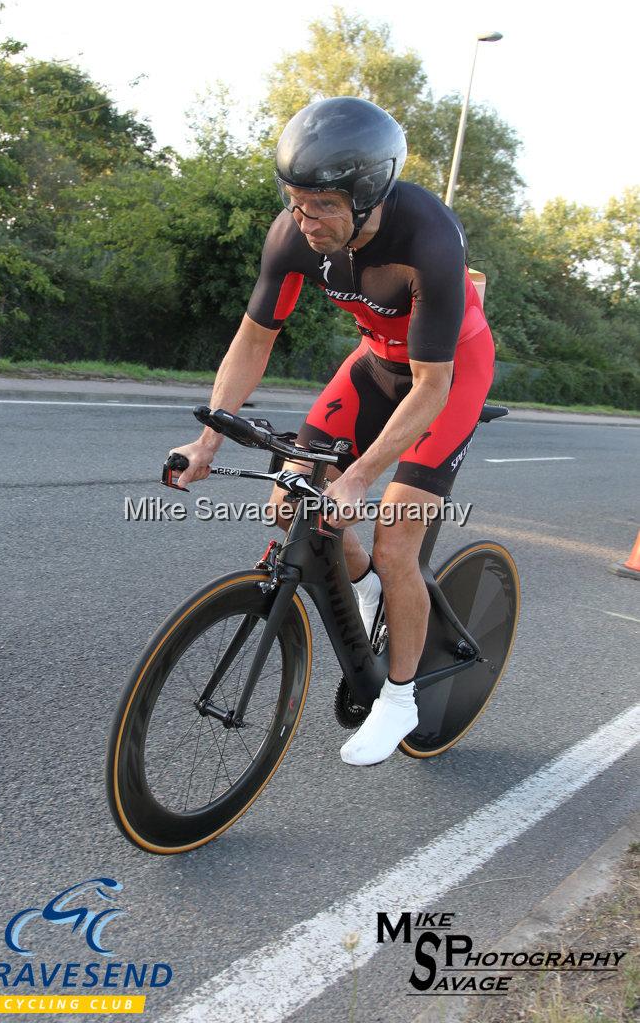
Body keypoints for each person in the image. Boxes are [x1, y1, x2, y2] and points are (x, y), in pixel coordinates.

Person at [170, 96, 495, 767]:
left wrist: (359, 476)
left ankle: (398, 698)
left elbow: (432, 386)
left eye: (321, 206)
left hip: (446, 377)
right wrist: (207, 440)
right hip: (373, 366)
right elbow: (255, 338)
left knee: (395, 540)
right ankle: (373, 586)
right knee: (291, 497)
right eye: (294, 201)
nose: (303, 219)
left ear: (368, 195)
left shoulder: (428, 239)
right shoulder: (292, 234)